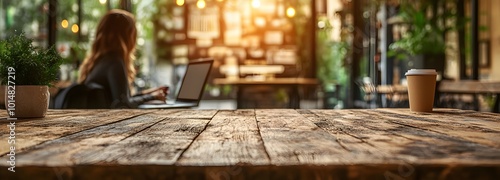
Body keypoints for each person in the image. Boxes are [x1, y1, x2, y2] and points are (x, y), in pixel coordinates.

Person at [78, 9, 167, 108]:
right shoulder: (114, 62)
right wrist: (152, 97)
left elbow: (121, 97)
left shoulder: (100, 61)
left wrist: (148, 93)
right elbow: (122, 104)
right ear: (128, 36)